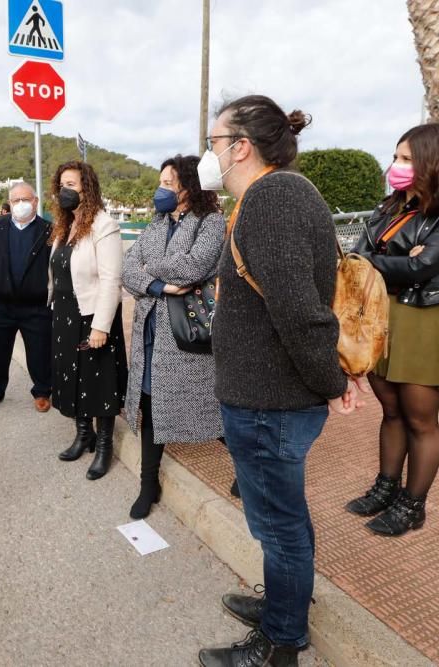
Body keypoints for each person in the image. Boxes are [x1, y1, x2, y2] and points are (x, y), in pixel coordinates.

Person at [196, 95, 364, 667]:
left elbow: (299, 309)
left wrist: (331, 381)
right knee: (279, 518)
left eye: (215, 142)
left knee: (280, 522)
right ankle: (283, 606)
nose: (210, 154)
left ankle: (282, 641)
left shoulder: (273, 200)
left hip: (272, 402)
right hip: (265, 396)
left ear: (240, 146)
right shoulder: (273, 197)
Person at [345, 122, 439, 537]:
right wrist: (402, 259)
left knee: (421, 419)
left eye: (405, 159)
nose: (395, 166)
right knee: (392, 410)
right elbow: (358, 258)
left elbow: (423, 267)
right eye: (395, 157)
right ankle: (387, 487)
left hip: (422, 317)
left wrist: (392, 261)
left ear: (431, 162)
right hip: (384, 314)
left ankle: (413, 505)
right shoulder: (390, 207)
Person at [121, 155, 226, 519]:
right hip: (152, 329)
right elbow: (127, 266)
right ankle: (148, 484)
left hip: (187, 333)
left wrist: (151, 266)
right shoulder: (157, 222)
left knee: (212, 408)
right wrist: (158, 284)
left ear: (189, 186)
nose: (161, 189)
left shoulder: (211, 222)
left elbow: (195, 267)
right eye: (162, 181)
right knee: (150, 404)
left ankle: (247, 466)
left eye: (169, 182)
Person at [49, 160, 127, 480]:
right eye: (62, 185)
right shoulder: (64, 226)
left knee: (99, 381)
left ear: (87, 188)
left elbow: (111, 280)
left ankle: (105, 444)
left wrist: (101, 326)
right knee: (72, 377)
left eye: (72, 184)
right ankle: (84, 435)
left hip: (94, 312)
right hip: (66, 311)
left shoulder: (103, 225)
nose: (65, 190)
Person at [0, 182, 53, 413]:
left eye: (25, 200)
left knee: (40, 351)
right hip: (2, 305)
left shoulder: (49, 231)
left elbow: (58, 266)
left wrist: (48, 290)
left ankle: (42, 392)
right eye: (15, 200)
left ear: (35, 202)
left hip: (36, 307)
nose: (20, 205)